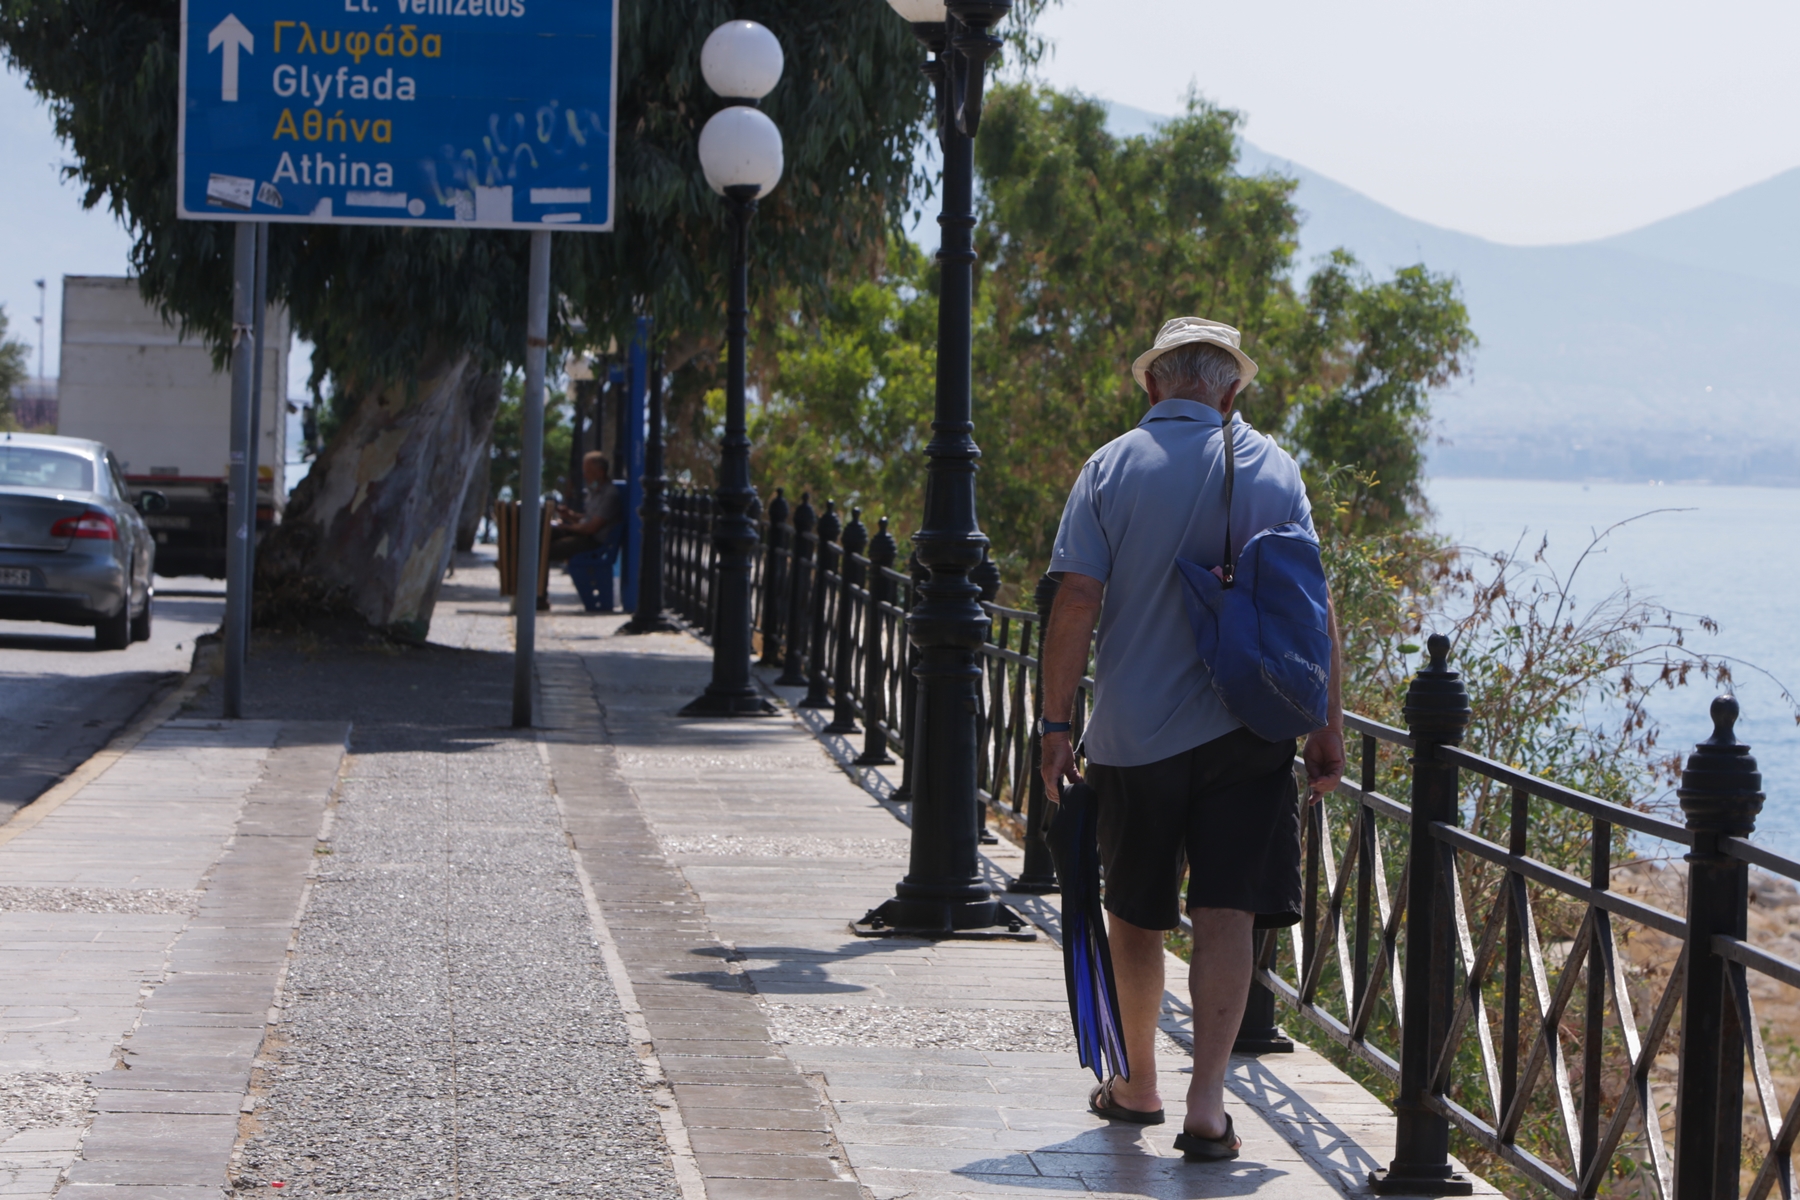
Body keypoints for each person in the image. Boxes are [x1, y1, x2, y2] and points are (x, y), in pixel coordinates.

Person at [1038, 317, 1345, 1162]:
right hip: (1251, 733)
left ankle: (1138, 1083)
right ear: (1232, 390)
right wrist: (1327, 725)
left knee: (1136, 914)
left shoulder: (1111, 467)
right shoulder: (1275, 469)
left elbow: (1074, 603)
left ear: (1153, 386)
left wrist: (1055, 725)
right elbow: (1314, 610)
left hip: (1135, 735)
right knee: (1227, 915)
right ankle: (1206, 1109)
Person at [549, 452, 622, 562]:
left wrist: (564, 527)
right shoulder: (593, 491)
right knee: (548, 532)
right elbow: (588, 518)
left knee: (551, 548)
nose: (584, 476)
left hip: (593, 540)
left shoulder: (610, 494)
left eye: (588, 472)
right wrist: (569, 515)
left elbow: (591, 528)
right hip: (583, 534)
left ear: (600, 473)